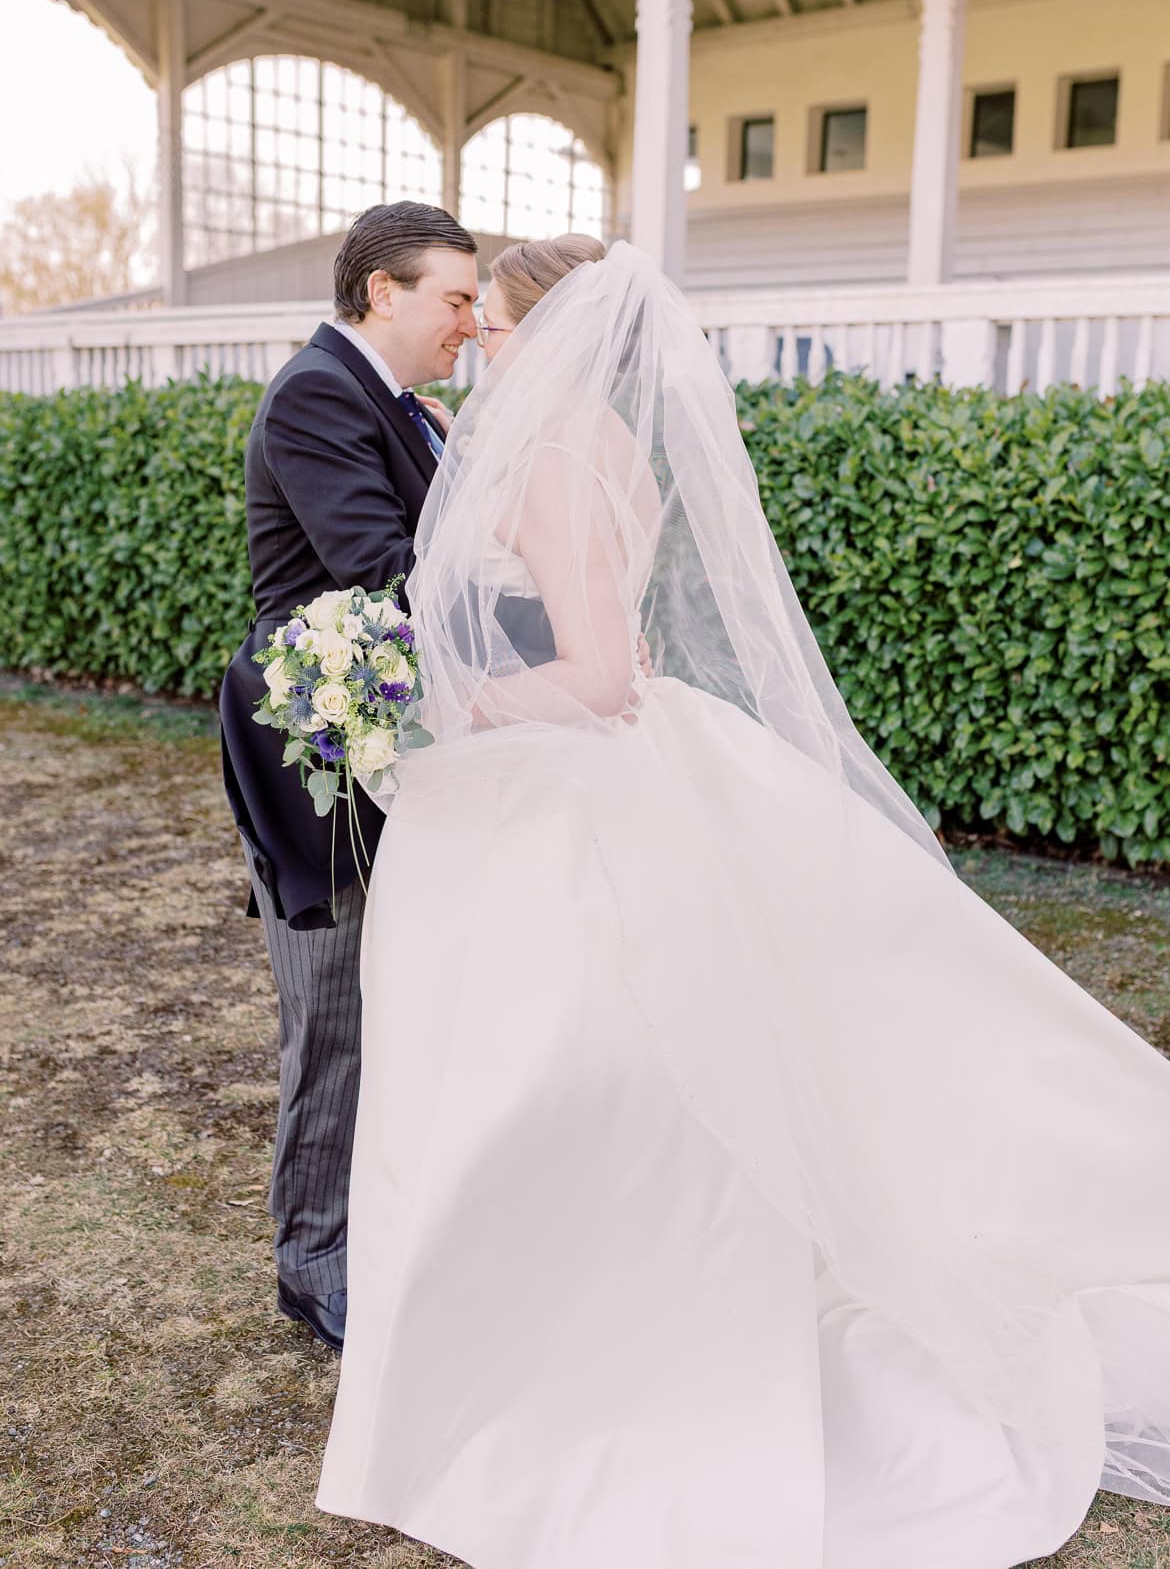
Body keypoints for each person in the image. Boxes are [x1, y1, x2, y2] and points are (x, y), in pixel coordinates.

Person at [317, 238, 1170, 1567]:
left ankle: (584, 1367)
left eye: (496, 320)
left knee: (565, 1075)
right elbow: (629, 639)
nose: (482, 339)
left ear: (552, 327)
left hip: (574, 791)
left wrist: (450, 709)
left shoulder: (545, 455)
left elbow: (598, 671)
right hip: (648, 760)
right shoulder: (615, 447)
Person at [219, 200, 481, 1352]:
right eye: (455, 299)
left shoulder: (404, 405)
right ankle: (311, 1259)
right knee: (329, 1012)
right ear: (385, 291)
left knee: (405, 1000)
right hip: (318, 749)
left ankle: (379, 1225)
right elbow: (383, 575)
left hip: (400, 744)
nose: (469, 324)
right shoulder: (321, 392)